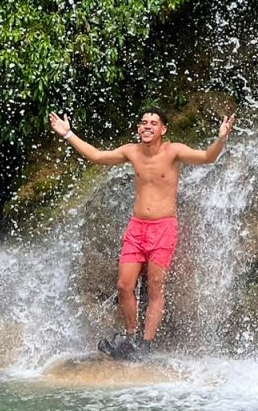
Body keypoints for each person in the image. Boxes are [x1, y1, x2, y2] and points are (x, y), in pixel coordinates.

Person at [49, 107, 235, 359]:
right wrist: (68, 134)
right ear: (139, 128)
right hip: (136, 228)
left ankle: (145, 344)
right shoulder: (131, 151)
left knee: (155, 286)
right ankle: (131, 336)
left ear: (162, 130)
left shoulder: (173, 151)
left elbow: (206, 157)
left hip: (163, 228)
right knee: (124, 285)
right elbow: (96, 156)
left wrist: (221, 138)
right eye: (143, 122)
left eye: (153, 123)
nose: (147, 126)